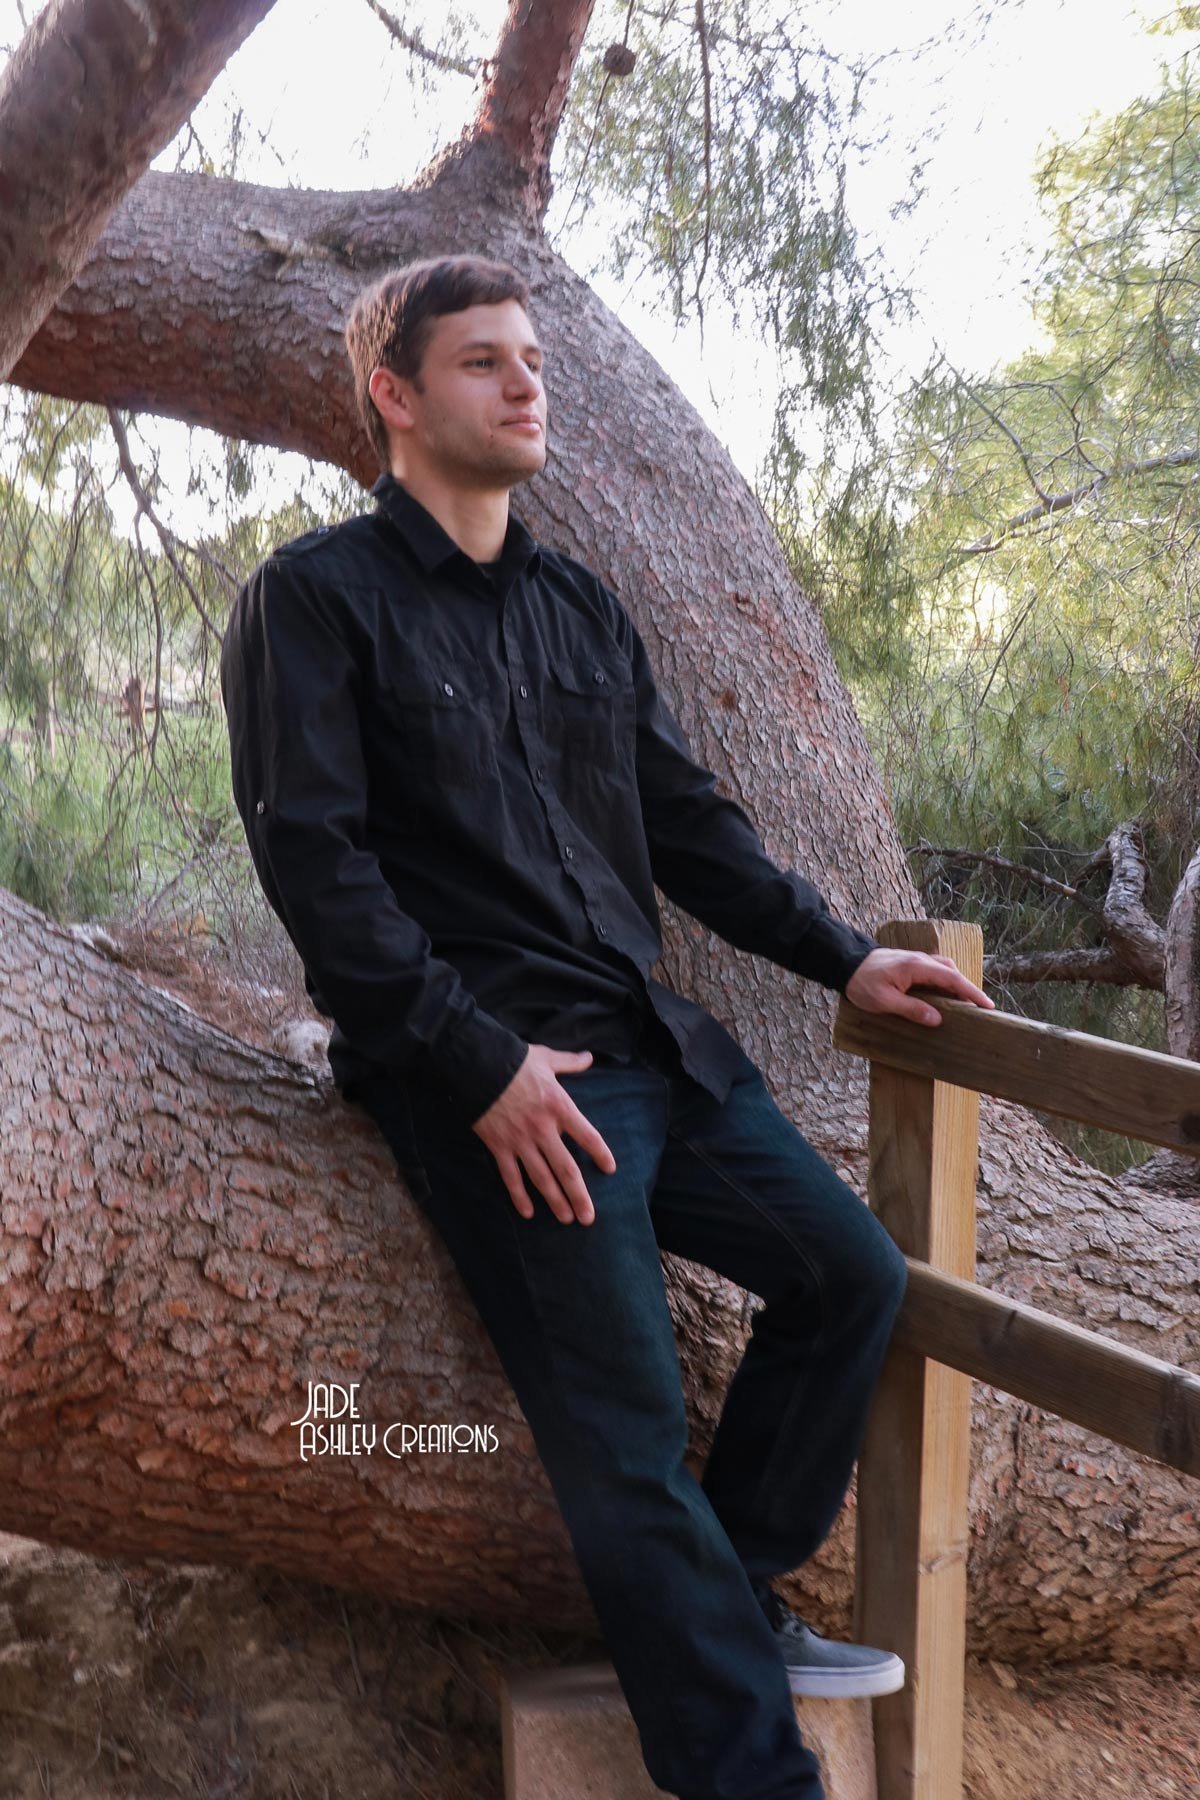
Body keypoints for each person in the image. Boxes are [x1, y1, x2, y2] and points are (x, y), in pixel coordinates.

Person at [219, 254, 995, 1800]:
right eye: (483, 364)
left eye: (532, 361)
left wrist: (841, 957)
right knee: (624, 1442)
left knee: (848, 1276)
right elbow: (318, 864)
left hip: (658, 1047)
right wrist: (473, 1063)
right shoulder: (312, 602)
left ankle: (738, 1590)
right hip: (500, 1073)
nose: (527, 385)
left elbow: (685, 823)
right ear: (396, 397)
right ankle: (751, 1777)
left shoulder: (581, 607)